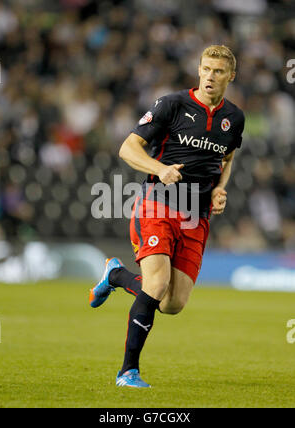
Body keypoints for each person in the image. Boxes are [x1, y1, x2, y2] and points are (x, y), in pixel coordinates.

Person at [89, 45, 245, 388]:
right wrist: (159, 169)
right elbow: (128, 148)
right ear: (199, 69)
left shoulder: (234, 117)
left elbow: (228, 158)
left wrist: (220, 188)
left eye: (218, 71)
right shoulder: (172, 104)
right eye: (205, 69)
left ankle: (116, 275)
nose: (209, 76)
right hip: (156, 204)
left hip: (196, 215)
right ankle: (127, 371)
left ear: (230, 76)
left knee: (172, 304)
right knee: (156, 285)